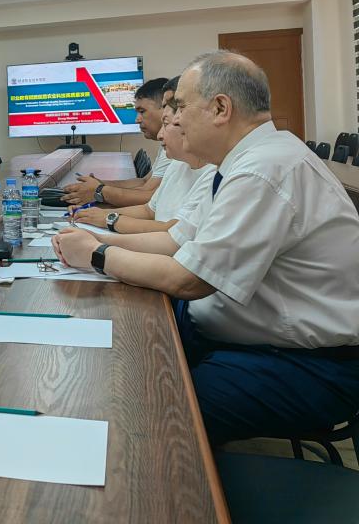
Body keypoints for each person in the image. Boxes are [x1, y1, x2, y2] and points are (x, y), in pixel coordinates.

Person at [52, 52, 359, 446]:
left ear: (220, 108)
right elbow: (177, 239)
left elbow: (190, 280)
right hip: (260, 341)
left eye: (180, 106)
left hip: (309, 365)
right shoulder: (242, 161)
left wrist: (97, 256)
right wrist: (99, 241)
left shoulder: (264, 169)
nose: (174, 120)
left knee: (153, 409)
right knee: (127, 357)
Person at [72, 77, 216, 235]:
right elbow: (149, 207)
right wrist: (98, 210)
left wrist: (103, 202)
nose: (161, 134)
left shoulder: (212, 174)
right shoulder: (177, 163)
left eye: (167, 121)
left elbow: (173, 233)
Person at [62, 77, 171, 207]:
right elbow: (143, 182)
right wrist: (100, 184)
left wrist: (99, 191)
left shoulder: (175, 148)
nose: (137, 119)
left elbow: (147, 194)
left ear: (166, 109)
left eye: (142, 111)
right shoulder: (165, 146)